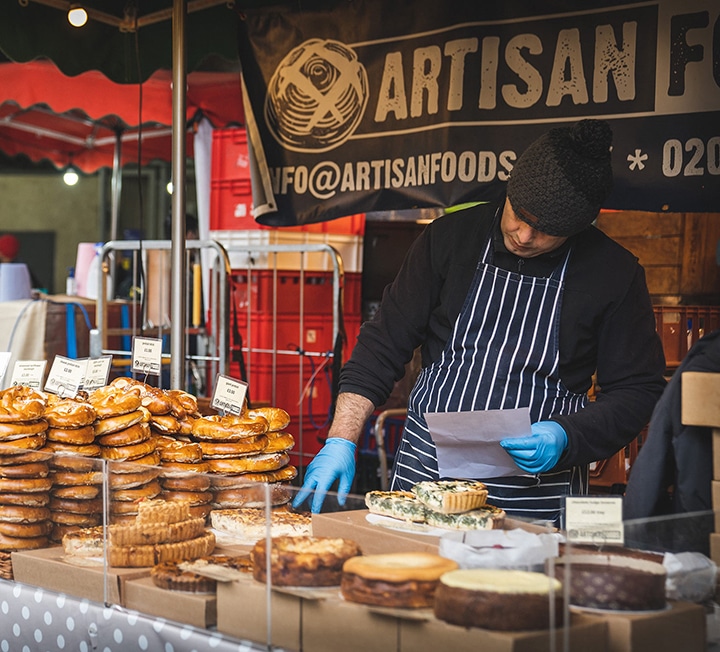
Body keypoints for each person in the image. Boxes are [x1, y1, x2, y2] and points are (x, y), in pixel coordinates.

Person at [292, 119, 667, 525]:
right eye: (519, 214)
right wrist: (340, 439)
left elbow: (637, 390)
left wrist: (566, 436)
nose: (524, 235)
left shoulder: (613, 273)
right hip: (426, 482)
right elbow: (383, 343)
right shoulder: (451, 238)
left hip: (533, 500)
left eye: (547, 231)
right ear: (509, 190)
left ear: (580, 227)